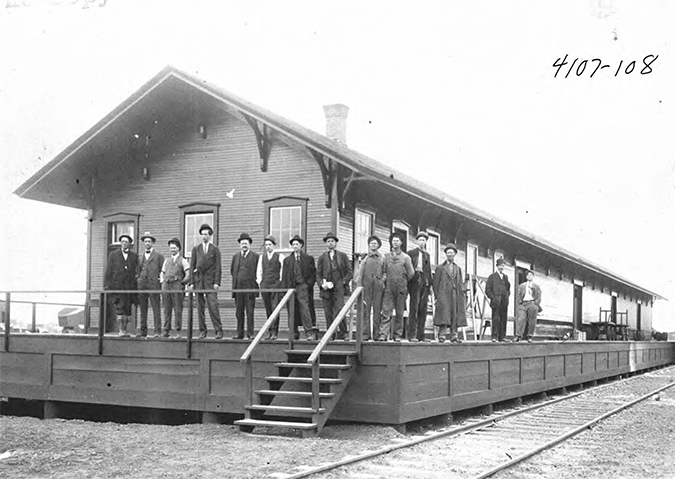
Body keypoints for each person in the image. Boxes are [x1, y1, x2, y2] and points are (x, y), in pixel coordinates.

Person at [316, 232, 353, 340]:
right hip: (326, 288)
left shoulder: (343, 256)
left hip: (339, 286)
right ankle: (330, 334)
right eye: (328, 241)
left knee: (339, 309)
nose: (330, 243)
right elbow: (318, 274)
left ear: (336, 243)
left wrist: (343, 282)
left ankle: (343, 333)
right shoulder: (322, 257)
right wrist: (322, 284)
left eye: (332, 241)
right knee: (328, 311)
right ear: (326, 244)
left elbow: (349, 272)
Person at [189, 224, 223, 339]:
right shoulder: (196, 249)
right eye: (202, 234)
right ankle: (202, 331)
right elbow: (192, 265)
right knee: (200, 308)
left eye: (206, 234)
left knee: (213, 306)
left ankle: (218, 330)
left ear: (210, 236)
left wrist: (217, 282)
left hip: (210, 281)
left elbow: (218, 267)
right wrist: (192, 282)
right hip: (199, 281)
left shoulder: (215, 249)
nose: (204, 236)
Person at [281, 235, 317, 340]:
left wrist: (307, 285)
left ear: (301, 245)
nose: (295, 246)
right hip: (291, 288)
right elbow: (284, 276)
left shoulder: (308, 259)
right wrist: (285, 290)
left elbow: (313, 274)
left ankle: (309, 332)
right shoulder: (287, 260)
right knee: (292, 310)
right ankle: (294, 333)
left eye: (297, 244)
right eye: (293, 244)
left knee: (304, 309)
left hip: (303, 287)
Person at [103, 234, 139, 337]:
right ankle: (120, 330)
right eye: (122, 241)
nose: (124, 243)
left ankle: (125, 330)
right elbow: (108, 270)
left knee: (128, 309)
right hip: (117, 286)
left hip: (129, 287)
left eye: (126, 242)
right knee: (120, 308)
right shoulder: (113, 255)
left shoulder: (134, 256)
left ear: (129, 244)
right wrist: (107, 285)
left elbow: (136, 271)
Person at [380, 232, 414, 341]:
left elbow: (411, 273)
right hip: (388, 287)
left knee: (399, 312)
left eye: (397, 241)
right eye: (393, 240)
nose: (395, 242)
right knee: (386, 311)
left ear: (401, 243)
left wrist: (402, 281)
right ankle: (383, 334)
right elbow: (383, 271)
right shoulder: (385, 257)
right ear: (391, 242)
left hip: (401, 288)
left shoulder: (406, 257)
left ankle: (397, 335)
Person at [433, 243, 467, 343]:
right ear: (446, 254)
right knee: (444, 314)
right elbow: (435, 283)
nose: (450, 254)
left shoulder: (458, 269)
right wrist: (437, 296)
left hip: (455, 294)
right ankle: (442, 335)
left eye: (452, 253)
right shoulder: (440, 268)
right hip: (443, 294)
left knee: (454, 314)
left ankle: (454, 335)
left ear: (455, 254)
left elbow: (460, 283)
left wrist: (461, 296)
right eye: (448, 253)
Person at [354, 235, 386, 341]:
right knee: (365, 310)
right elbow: (360, 274)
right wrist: (359, 287)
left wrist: (381, 281)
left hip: (378, 287)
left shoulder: (382, 258)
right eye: (371, 243)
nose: (373, 245)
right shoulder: (365, 259)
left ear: (378, 246)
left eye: (375, 243)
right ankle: (365, 334)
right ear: (369, 245)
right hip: (366, 286)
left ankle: (376, 334)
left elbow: (385, 272)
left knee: (377, 310)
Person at [136, 232, 165, 338]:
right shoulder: (140, 257)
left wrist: (160, 283)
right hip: (142, 286)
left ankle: (157, 331)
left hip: (154, 285)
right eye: (145, 241)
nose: (147, 243)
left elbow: (163, 271)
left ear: (152, 243)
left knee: (156, 308)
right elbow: (138, 270)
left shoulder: (158, 256)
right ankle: (143, 330)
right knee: (142, 309)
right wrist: (139, 280)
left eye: (149, 241)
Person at [231, 233, 259, 340]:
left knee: (250, 312)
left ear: (250, 244)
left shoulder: (255, 257)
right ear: (239, 245)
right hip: (238, 289)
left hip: (250, 288)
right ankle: (240, 333)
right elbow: (232, 271)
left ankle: (250, 333)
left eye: (246, 243)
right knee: (239, 312)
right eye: (242, 243)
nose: (244, 245)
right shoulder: (235, 257)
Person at [160, 237, 190, 338]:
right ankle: (166, 330)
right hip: (166, 286)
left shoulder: (183, 260)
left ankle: (178, 331)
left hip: (177, 286)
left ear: (178, 249)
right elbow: (162, 272)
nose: (172, 249)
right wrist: (162, 281)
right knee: (166, 309)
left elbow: (188, 273)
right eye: (171, 248)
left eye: (174, 248)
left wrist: (183, 282)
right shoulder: (167, 261)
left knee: (178, 309)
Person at [256, 234, 284, 340]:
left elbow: (282, 270)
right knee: (268, 309)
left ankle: (274, 332)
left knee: (275, 308)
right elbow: (259, 271)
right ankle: (269, 332)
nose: (268, 246)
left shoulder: (279, 256)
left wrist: (280, 282)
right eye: (266, 245)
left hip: (275, 285)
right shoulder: (262, 257)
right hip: (265, 285)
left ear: (274, 245)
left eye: (270, 244)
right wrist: (260, 282)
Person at [407, 231, 432, 342]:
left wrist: (430, 285)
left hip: (425, 283)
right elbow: (407, 268)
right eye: (420, 240)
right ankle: (412, 335)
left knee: (423, 309)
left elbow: (429, 271)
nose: (422, 242)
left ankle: (420, 335)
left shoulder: (427, 255)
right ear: (416, 241)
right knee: (414, 308)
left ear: (426, 242)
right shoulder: (411, 253)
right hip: (415, 281)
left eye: (424, 240)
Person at [485, 257, 511, 342]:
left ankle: (502, 337)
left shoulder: (506, 277)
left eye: (503, 265)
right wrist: (493, 297)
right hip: (496, 302)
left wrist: (506, 296)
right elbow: (487, 290)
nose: (501, 267)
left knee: (503, 319)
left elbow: (508, 288)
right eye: (500, 265)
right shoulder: (492, 277)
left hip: (504, 302)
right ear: (497, 266)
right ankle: (494, 337)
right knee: (495, 319)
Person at [516, 269, 542, 342]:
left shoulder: (536, 286)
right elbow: (518, 295)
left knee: (532, 320)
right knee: (521, 319)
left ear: (533, 276)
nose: (529, 276)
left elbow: (539, 296)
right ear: (526, 277)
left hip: (532, 303)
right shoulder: (522, 285)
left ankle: (529, 336)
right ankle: (518, 335)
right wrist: (520, 302)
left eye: (530, 275)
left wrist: (535, 304)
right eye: (528, 275)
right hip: (523, 304)